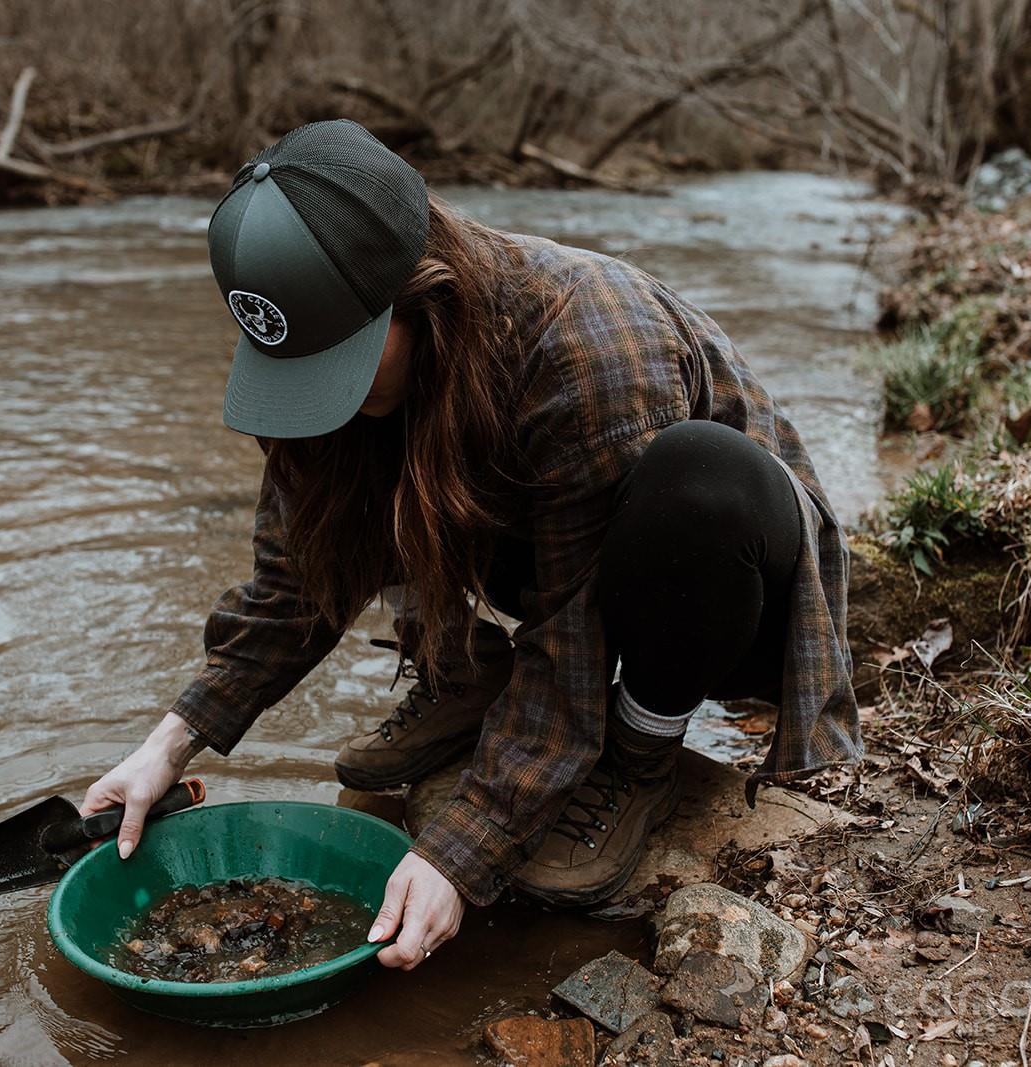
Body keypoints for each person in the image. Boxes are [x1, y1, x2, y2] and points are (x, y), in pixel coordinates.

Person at [82, 119, 860, 971]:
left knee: (698, 476)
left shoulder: (586, 341)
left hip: (711, 580)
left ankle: (639, 752)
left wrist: (463, 847)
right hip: (549, 536)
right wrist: (166, 746)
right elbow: (295, 582)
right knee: (357, 461)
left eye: (333, 365)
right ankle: (463, 674)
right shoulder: (336, 359)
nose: (320, 401)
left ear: (421, 291)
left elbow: (573, 636)